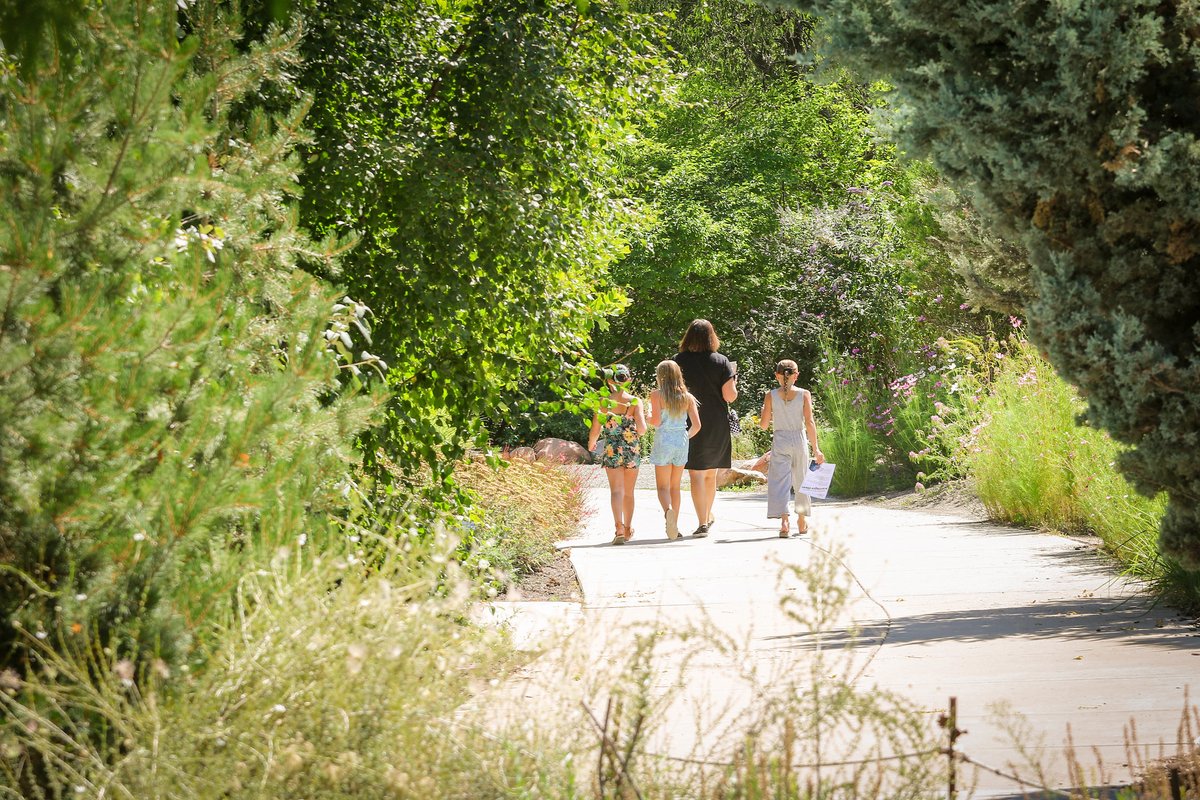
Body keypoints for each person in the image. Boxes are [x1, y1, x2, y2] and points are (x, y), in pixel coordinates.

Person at [672, 319, 737, 537]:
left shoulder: (677, 362)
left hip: (687, 422)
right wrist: (733, 380)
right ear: (712, 337)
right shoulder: (721, 361)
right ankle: (705, 519)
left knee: (696, 475)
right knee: (710, 474)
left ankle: (703, 520)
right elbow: (730, 396)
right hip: (716, 422)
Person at [759, 359, 825, 537]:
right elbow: (810, 422)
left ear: (777, 376)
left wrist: (765, 414)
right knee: (802, 480)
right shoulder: (804, 394)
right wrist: (816, 449)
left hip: (780, 439)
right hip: (798, 438)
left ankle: (784, 522)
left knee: (779, 482)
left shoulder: (770, 395)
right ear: (796, 375)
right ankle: (802, 520)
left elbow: (764, 425)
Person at [587, 364, 647, 545]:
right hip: (631, 449)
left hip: (612, 449)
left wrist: (591, 442)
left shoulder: (603, 402)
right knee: (629, 492)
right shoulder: (635, 402)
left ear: (609, 380)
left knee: (616, 491)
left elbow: (596, 428)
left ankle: (619, 529)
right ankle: (628, 528)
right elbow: (643, 430)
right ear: (627, 379)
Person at [647, 360, 702, 541]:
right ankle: (675, 527)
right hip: (681, 441)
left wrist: (646, 416)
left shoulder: (656, 395)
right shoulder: (687, 397)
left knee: (662, 486)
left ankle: (667, 512)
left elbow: (655, 421)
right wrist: (685, 437)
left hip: (664, 440)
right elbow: (697, 425)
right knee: (675, 486)